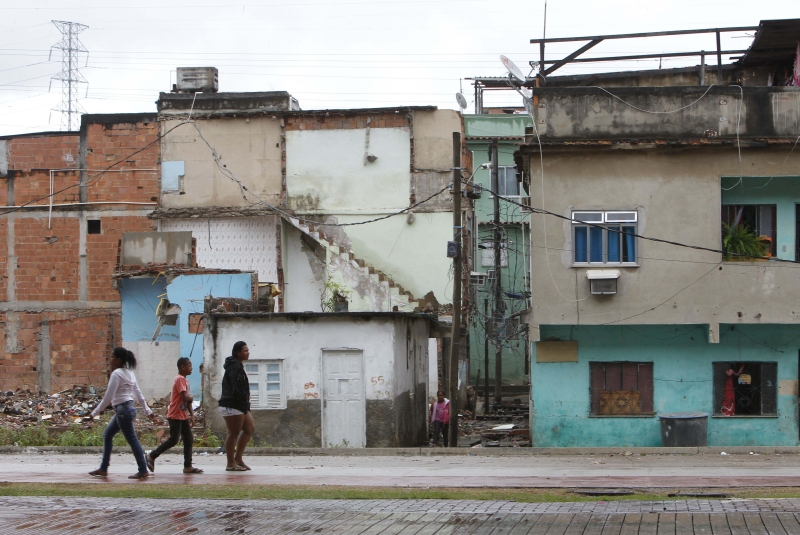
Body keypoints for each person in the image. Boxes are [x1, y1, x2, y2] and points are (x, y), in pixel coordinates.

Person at [89, 347, 159, 479]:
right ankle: (103, 468)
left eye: (112, 357)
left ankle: (143, 469)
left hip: (122, 410)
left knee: (132, 439)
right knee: (108, 434)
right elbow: (138, 393)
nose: (110, 359)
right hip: (128, 408)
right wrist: (147, 410)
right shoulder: (129, 373)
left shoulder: (116, 374)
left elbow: (108, 397)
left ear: (118, 360)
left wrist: (94, 413)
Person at [146, 357, 203, 474]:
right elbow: (185, 397)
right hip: (175, 414)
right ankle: (151, 455)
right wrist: (191, 398)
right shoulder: (179, 379)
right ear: (183, 367)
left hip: (182, 415)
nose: (191, 368)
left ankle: (188, 466)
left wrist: (191, 415)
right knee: (174, 439)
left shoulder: (185, 381)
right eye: (190, 365)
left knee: (188, 439)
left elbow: (188, 402)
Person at [218, 341, 254, 471]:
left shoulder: (238, 365)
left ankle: (238, 458)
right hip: (232, 404)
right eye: (245, 350)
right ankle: (230, 463)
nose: (248, 352)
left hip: (241, 404)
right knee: (233, 433)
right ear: (238, 352)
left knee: (249, 429)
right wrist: (242, 398)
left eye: (248, 350)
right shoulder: (234, 367)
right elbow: (235, 387)